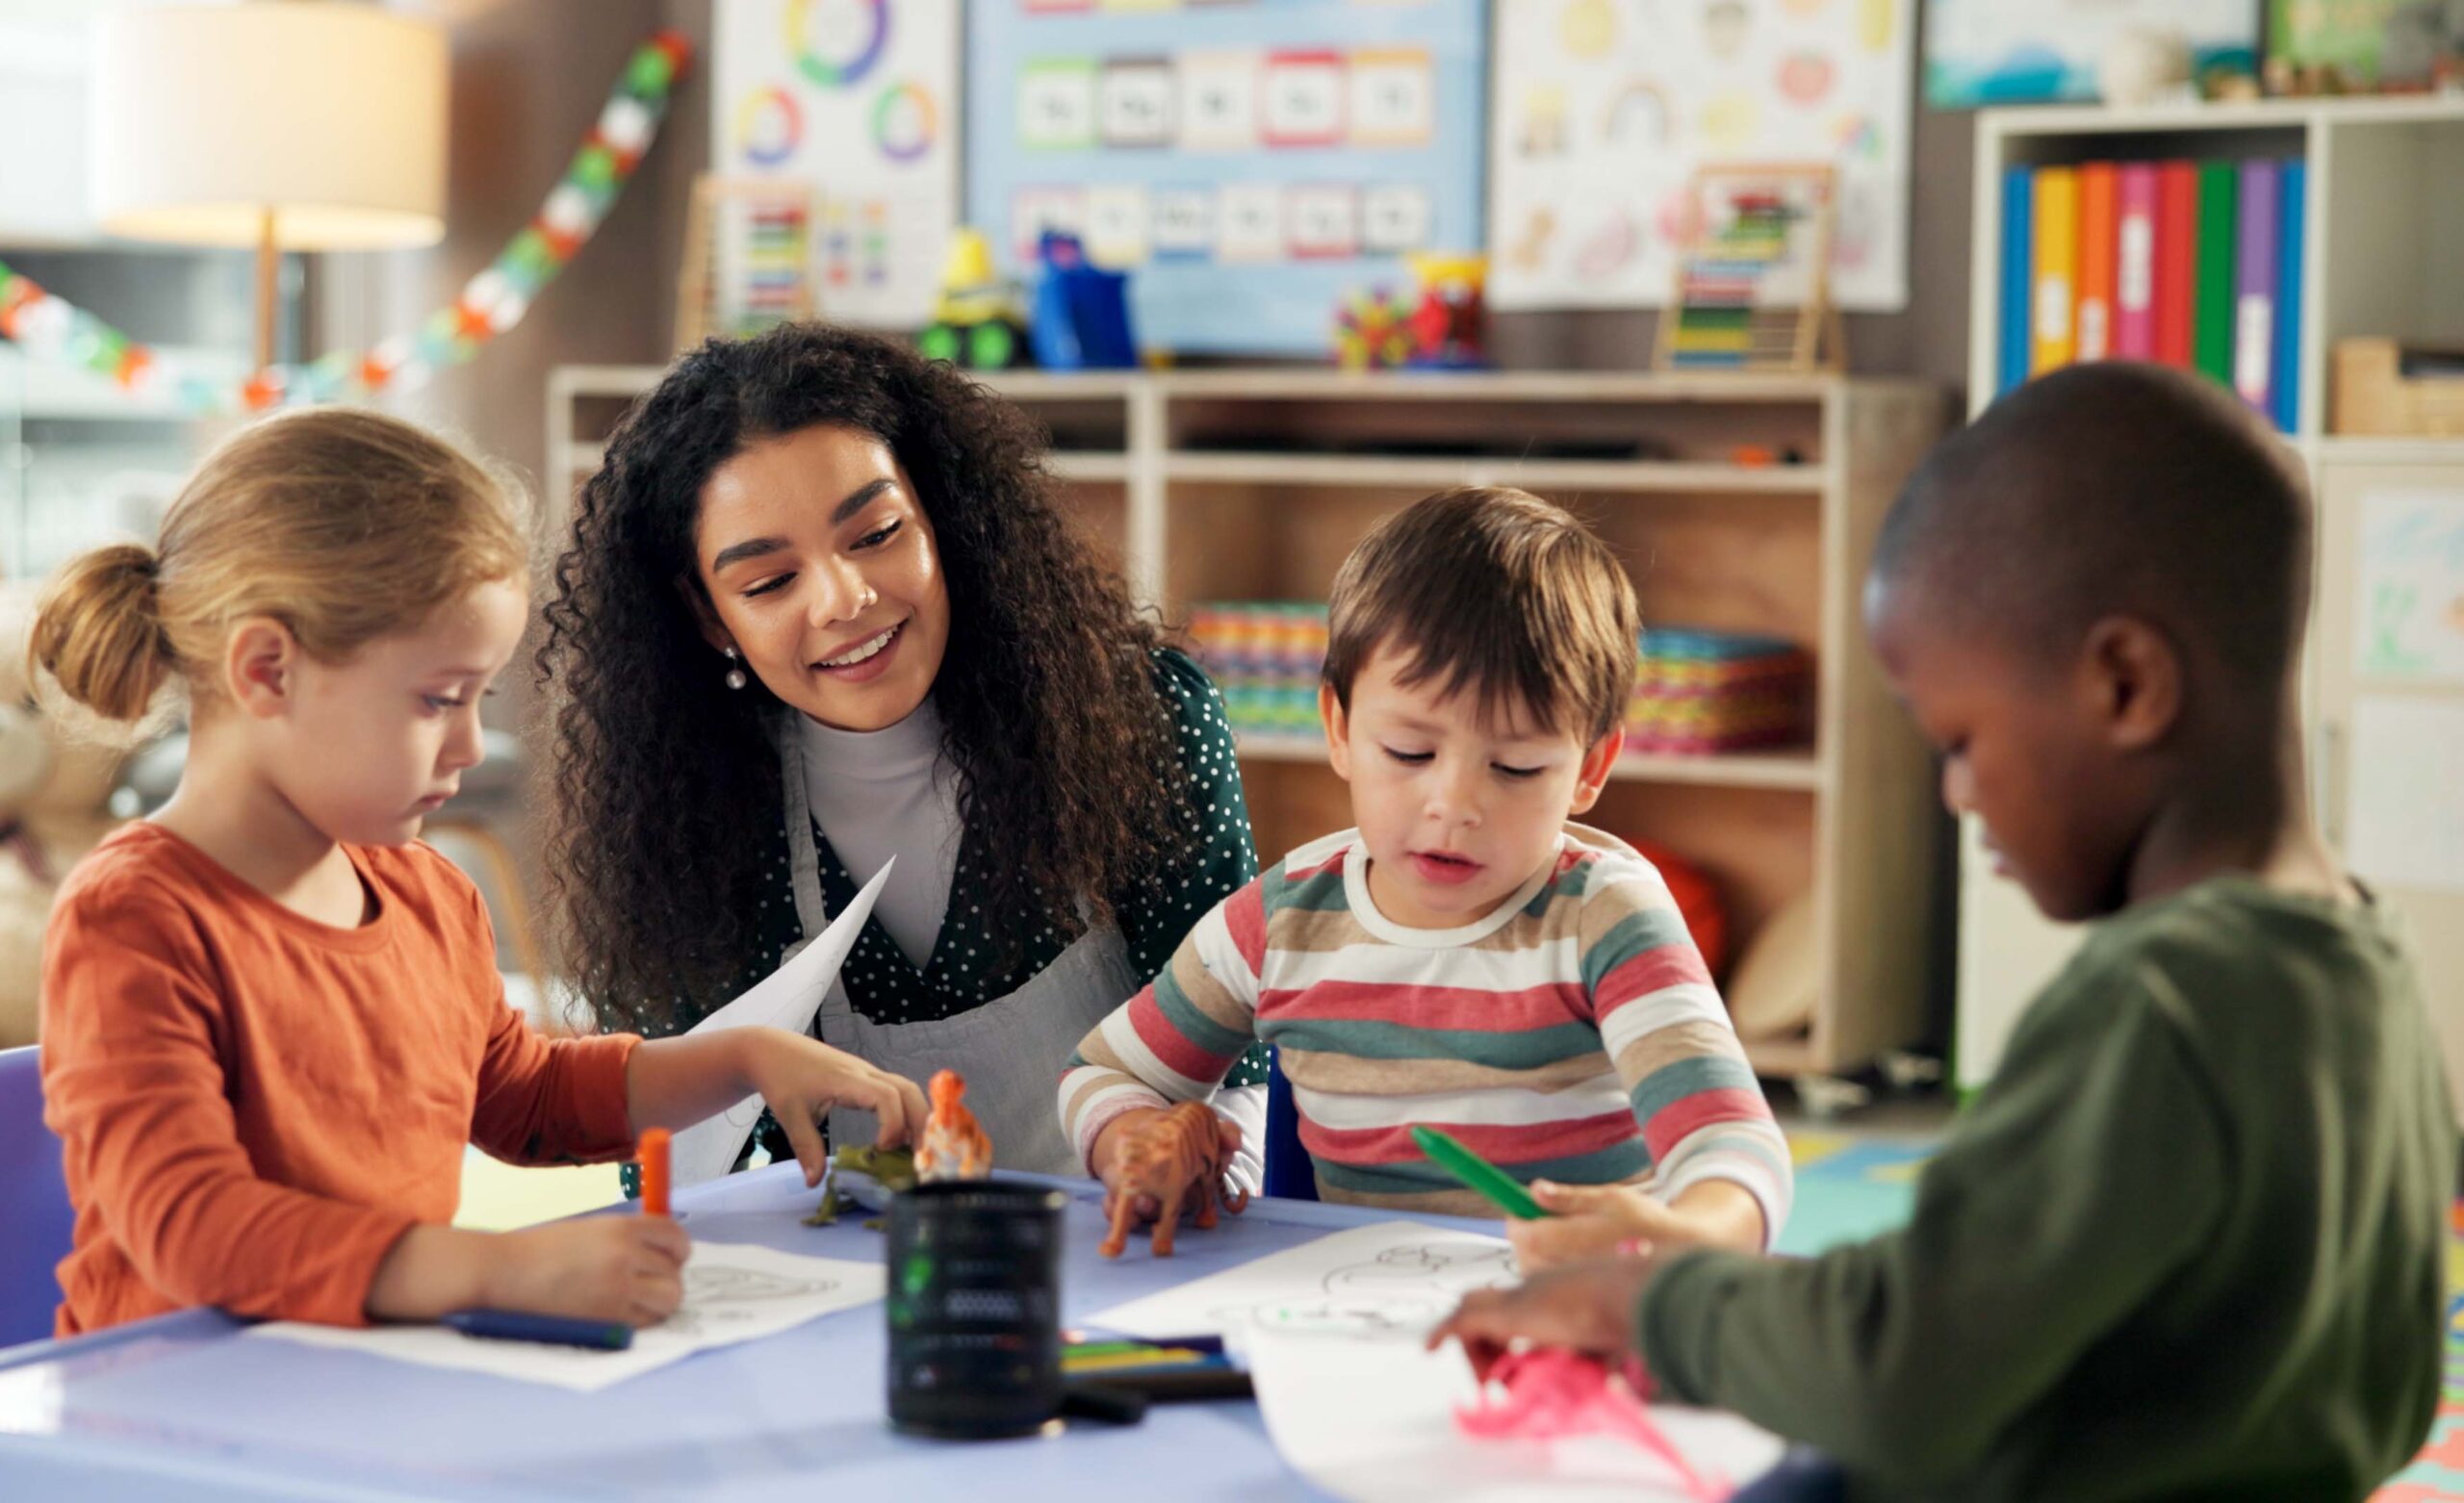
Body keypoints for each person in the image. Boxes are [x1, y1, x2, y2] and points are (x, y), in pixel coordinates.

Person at [1433, 365, 2454, 1501]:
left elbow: (1901, 1368)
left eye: (1960, 739)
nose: (1956, 794)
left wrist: (1640, 1304)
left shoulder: (2159, 1001)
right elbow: (2392, 1373)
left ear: (2125, 683)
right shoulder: (2362, 957)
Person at [35, 409, 926, 1337]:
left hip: (359, 1398)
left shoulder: (426, 894)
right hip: (168, 1417)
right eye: (436, 699)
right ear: (268, 671)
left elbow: (525, 1100)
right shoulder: (134, 915)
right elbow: (190, 1228)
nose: (469, 744)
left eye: (478, 696)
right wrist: (493, 1268)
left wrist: (740, 1058)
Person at [539, 324, 1270, 1182]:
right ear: (709, 618)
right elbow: (676, 1159)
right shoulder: (689, 824)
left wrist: (1198, 1173)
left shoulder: (1145, 722)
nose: (846, 599)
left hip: (1141, 1249)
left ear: (941, 521)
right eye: (771, 582)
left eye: (878, 533)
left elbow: (1235, 1050)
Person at [1061, 487, 1788, 1259]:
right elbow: (1096, 1072)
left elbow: (1734, 1148)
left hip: (1574, 1316)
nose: (1455, 805)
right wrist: (1135, 1140)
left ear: (1590, 767)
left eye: (1515, 766)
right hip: (1356, 1323)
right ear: (1340, 728)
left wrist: (1688, 1233)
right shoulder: (1279, 922)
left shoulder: (1605, 917)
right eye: (1409, 753)